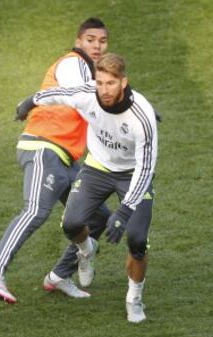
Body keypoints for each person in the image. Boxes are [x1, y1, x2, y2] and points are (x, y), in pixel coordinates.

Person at [0, 18, 110, 303]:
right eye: (91, 39)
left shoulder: (93, 73)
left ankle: (61, 275)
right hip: (44, 148)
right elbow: (80, 97)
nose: (97, 46)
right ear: (78, 41)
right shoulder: (73, 63)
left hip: (68, 160)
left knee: (98, 216)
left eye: (102, 41)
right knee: (35, 210)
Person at [16, 53, 158, 323]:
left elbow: (145, 168)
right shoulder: (88, 93)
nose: (104, 90)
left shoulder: (142, 116)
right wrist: (29, 102)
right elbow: (59, 93)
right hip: (98, 169)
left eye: (111, 84)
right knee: (71, 224)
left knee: (137, 241)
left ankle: (134, 299)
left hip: (132, 175)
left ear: (124, 83)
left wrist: (125, 212)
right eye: (100, 82)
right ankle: (86, 250)